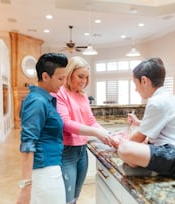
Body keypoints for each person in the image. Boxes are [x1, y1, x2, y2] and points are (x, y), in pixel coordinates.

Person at [110, 57, 175, 181]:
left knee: (124, 149)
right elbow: (160, 127)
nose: (135, 89)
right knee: (136, 148)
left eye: (135, 84)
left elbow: (139, 138)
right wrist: (138, 123)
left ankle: (154, 171)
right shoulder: (168, 97)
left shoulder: (157, 102)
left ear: (144, 80)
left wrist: (119, 142)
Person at [55, 56, 111, 204]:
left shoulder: (83, 95)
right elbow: (66, 124)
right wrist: (96, 133)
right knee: (66, 198)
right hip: (66, 152)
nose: (83, 81)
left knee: (75, 196)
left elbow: (91, 121)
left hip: (82, 152)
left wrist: (108, 134)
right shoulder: (60, 93)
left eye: (86, 78)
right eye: (80, 76)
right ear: (69, 73)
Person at [16, 53, 68, 204]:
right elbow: (27, 144)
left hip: (50, 167)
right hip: (44, 171)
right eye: (60, 78)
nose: (63, 83)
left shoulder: (45, 99)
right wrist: (25, 186)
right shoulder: (37, 101)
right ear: (45, 76)